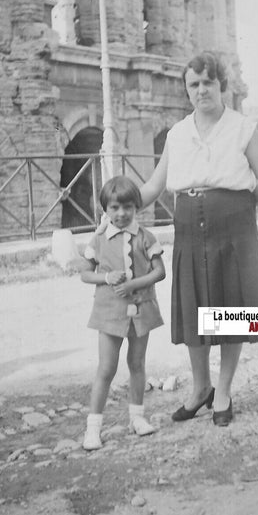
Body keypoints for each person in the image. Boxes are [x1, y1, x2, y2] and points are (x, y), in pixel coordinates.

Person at [139, 51, 258, 427]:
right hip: (188, 226)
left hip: (232, 227)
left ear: (222, 87)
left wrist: (233, 208)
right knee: (196, 308)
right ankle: (200, 388)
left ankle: (224, 391)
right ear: (187, 90)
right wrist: (116, 205)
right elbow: (154, 185)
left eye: (209, 83)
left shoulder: (242, 128)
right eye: (194, 84)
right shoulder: (177, 133)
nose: (202, 91)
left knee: (230, 310)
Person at [80, 176, 166, 450]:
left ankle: (137, 418)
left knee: (137, 364)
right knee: (106, 368)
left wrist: (132, 284)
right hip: (109, 312)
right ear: (105, 209)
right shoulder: (99, 238)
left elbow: (159, 271)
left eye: (128, 207)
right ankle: (93, 428)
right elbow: (84, 273)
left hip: (141, 309)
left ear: (136, 207)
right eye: (115, 207)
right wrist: (106, 278)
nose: (121, 213)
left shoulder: (145, 237)